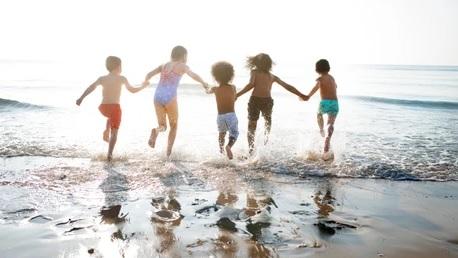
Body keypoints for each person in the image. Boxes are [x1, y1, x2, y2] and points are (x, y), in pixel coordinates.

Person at [76, 56, 147, 161]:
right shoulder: (122, 78)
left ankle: (106, 130)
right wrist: (143, 86)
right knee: (115, 132)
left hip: (103, 108)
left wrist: (81, 98)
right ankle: (109, 154)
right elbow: (132, 90)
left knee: (111, 117)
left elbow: (91, 87)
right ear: (118, 66)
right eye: (121, 65)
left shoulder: (102, 78)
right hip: (115, 107)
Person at [142, 46, 209, 157]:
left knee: (163, 126)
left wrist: (145, 82)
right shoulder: (182, 66)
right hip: (170, 97)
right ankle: (168, 153)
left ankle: (156, 131)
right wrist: (203, 83)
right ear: (183, 55)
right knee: (174, 126)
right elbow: (193, 75)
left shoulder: (163, 65)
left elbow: (148, 75)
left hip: (157, 96)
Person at [236, 53, 307, 155]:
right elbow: (251, 85)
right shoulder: (264, 74)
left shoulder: (265, 74)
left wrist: (237, 95)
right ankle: (256, 148)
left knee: (256, 125)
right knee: (263, 123)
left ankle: (257, 147)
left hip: (261, 101)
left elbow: (287, 86)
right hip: (261, 101)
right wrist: (301, 94)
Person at [305, 59, 338, 156]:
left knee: (319, 114)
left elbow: (315, 88)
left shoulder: (320, 79)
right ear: (328, 68)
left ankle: (321, 129)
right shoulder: (332, 78)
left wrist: (308, 96)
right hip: (335, 103)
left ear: (317, 69)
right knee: (330, 123)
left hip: (325, 102)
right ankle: (328, 138)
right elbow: (336, 86)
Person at [207, 61, 238, 159]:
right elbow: (235, 98)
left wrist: (206, 87)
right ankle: (228, 146)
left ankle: (221, 152)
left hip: (220, 116)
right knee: (234, 133)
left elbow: (207, 91)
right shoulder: (233, 87)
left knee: (222, 134)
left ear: (215, 77)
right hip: (231, 115)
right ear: (231, 75)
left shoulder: (215, 89)